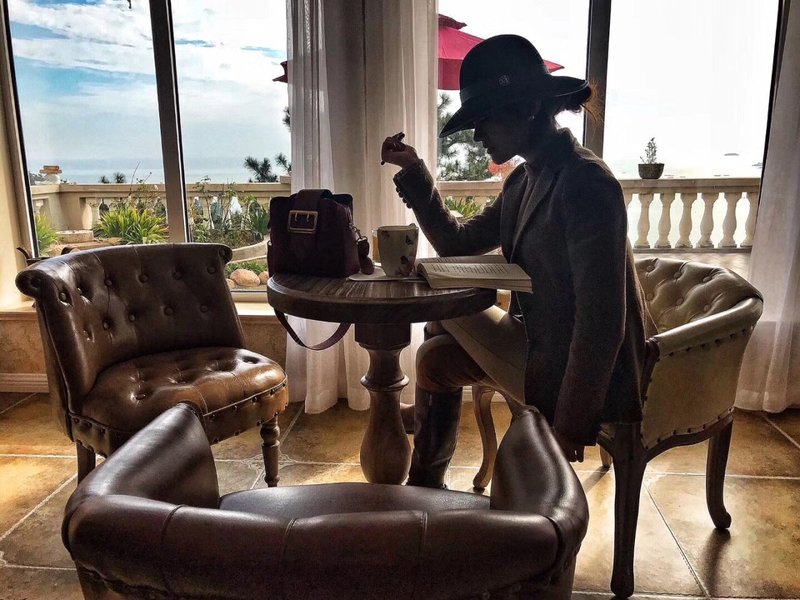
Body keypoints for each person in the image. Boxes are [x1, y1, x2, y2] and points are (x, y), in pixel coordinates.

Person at [381, 34, 655, 488]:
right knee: (431, 360)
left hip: (578, 371)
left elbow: (602, 323)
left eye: (483, 119)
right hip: (539, 346)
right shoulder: (522, 181)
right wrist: (413, 170)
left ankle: (426, 470)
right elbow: (457, 242)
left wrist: (569, 424)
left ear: (527, 108)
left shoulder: (586, 182)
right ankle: (425, 490)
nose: (477, 135)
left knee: (439, 300)